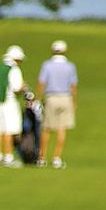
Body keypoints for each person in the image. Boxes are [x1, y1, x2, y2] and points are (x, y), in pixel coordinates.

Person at [36, 39, 78, 168]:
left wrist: (38, 98)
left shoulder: (47, 65)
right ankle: (56, 159)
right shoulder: (70, 66)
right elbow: (73, 86)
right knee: (61, 128)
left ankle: (42, 158)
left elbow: (41, 83)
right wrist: (74, 101)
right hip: (66, 98)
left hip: (51, 97)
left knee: (47, 128)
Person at [0, 45, 26, 167]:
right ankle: (8, 157)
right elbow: (16, 88)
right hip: (10, 102)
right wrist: (23, 87)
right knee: (9, 130)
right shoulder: (14, 69)